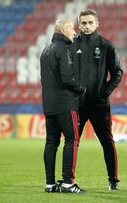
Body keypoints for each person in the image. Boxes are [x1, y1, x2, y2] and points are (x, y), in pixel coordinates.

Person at [71, 9, 123, 190]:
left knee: (107, 142)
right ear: (79, 24)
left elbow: (117, 72)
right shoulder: (70, 46)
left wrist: (105, 92)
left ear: (97, 24)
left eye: (90, 23)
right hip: (77, 104)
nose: (86, 26)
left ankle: (113, 180)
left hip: (99, 104)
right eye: (83, 23)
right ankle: (69, 180)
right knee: (72, 142)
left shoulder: (106, 46)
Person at [40, 18, 86, 194]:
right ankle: (68, 183)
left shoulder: (45, 50)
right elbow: (67, 78)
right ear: (64, 30)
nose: (75, 33)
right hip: (66, 104)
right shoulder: (64, 49)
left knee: (51, 142)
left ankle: (50, 184)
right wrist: (81, 89)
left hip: (49, 105)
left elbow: (43, 80)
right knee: (72, 140)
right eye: (72, 29)